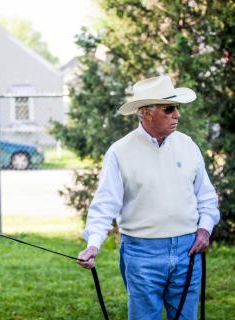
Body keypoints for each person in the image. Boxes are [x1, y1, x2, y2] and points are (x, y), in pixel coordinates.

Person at [76, 75, 220, 319]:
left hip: (188, 250)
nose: (177, 115)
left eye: (177, 108)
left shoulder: (188, 145)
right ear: (146, 112)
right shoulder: (120, 151)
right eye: (169, 109)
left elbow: (206, 197)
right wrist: (93, 244)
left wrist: (205, 229)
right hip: (142, 253)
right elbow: (105, 205)